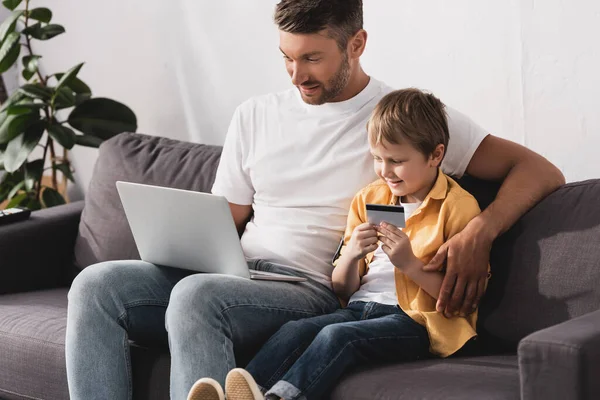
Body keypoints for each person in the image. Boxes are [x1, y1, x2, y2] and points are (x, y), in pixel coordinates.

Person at [65, 1, 564, 399]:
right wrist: (183, 246)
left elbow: (538, 170)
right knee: (97, 284)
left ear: (356, 43)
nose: (296, 74)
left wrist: (481, 231)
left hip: (310, 289)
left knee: (198, 298)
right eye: (286, 56)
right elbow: (224, 221)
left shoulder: (399, 121)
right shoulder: (254, 115)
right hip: (237, 275)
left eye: (312, 58)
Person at [187, 88, 489, 400]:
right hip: (360, 307)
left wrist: (409, 264)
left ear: (435, 155)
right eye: (377, 158)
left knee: (337, 336)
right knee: (295, 331)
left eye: (396, 161)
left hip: (419, 321)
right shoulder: (370, 197)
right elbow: (343, 289)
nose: (385, 170)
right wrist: (353, 254)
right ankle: (234, 395)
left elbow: (459, 302)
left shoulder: (458, 208)